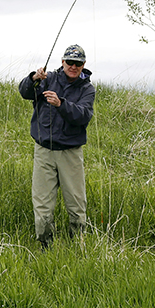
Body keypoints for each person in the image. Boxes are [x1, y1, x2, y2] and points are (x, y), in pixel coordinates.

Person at [18, 44, 96, 248]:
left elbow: (83, 115)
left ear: (83, 65)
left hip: (71, 153)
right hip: (43, 152)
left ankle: (78, 246)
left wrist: (60, 104)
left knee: (77, 206)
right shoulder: (48, 79)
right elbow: (25, 93)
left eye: (78, 63)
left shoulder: (87, 89)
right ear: (62, 62)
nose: (73, 66)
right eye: (69, 62)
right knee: (42, 207)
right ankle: (46, 247)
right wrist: (33, 79)